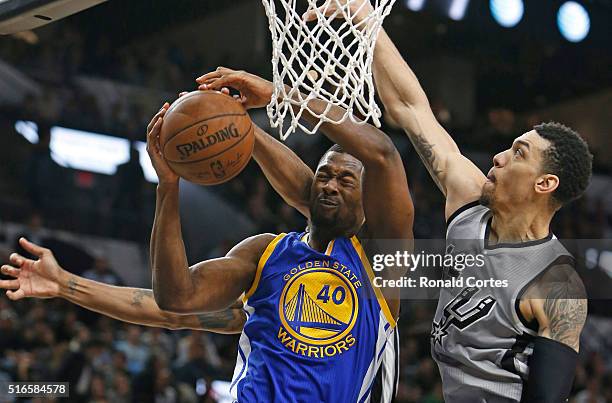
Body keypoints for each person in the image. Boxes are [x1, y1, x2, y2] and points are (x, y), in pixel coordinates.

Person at [302, 1, 591, 401]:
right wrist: (365, 19)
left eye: (519, 154)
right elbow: (410, 109)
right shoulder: (471, 203)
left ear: (545, 183)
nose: (499, 156)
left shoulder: (557, 285)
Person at [149, 69, 413, 402]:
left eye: (346, 181)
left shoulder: (381, 260)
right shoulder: (265, 252)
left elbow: (384, 155)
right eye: (324, 176)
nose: (331, 185)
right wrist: (169, 186)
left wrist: (278, 94)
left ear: (368, 200)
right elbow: (176, 297)